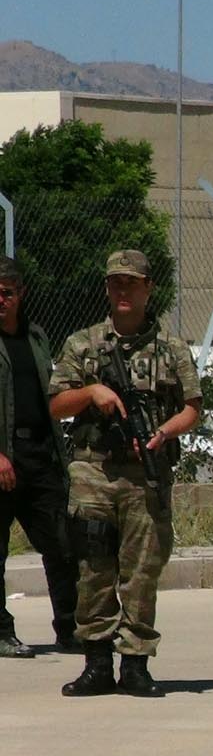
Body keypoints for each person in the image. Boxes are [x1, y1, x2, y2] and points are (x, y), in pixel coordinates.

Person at [45, 250, 202, 697]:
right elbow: (56, 405)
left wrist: (162, 432)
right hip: (94, 471)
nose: (122, 291)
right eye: (115, 282)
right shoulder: (83, 344)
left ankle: (134, 664)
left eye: (131, 283)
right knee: (93, 567)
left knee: (141, 570)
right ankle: (96, 662)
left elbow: (193, 408)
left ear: (148, 288)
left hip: (144, 473)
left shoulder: (171, 349)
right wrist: (93, 391)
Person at [0, 257, 77, 658]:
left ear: (21, 294)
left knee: (63, 543)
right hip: (2, 457)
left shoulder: (37, 337)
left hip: (40, 456)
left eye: (7, 292)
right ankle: (1, 632)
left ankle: (70, 627)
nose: (1, 300)